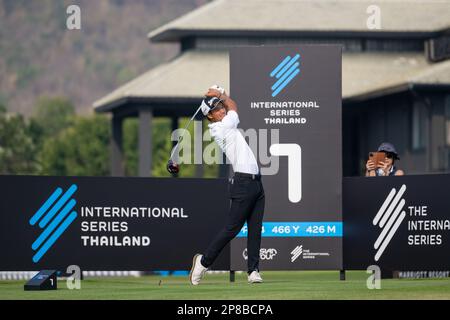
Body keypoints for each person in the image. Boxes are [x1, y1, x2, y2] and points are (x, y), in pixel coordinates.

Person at [189, 85, 265, 285]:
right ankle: (203, 263)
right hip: (243, 183)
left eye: (220, 106)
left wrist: (219, 96)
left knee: (255, 229)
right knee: (232, 228)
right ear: (210, 116)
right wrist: (220, 93)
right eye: (216, 109)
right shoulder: (222, 127)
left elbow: (230, 106)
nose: (221, 109)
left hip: (257, 184)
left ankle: (253, 271)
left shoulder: (223, 122)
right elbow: (234, 106)